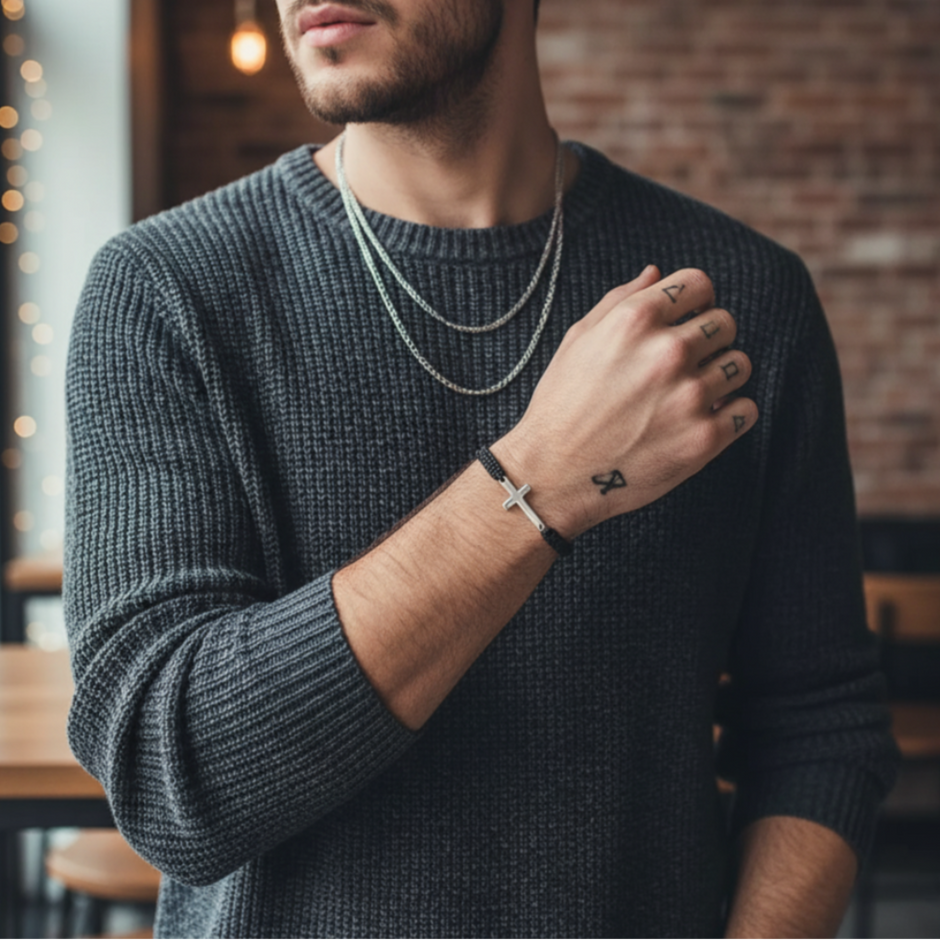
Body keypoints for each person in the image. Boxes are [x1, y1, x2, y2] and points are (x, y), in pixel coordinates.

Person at [64, 0, 899, 937]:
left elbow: (818, 726)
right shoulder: (166, 290)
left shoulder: (733, 309)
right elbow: (168, 776)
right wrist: (540, 480)